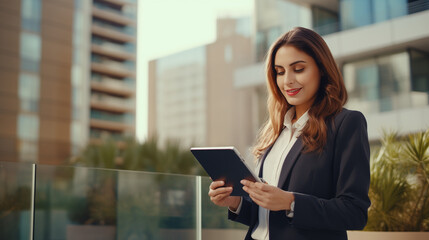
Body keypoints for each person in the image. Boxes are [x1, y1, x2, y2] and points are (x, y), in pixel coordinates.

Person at [208, 27, 371, 240]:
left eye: (299, 69)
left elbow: (354, 213)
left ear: (321, 69)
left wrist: (291, 202)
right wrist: (236, 203)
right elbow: (267, 220)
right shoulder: (275, 132)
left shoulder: (346, 123)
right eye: (280, 71)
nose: (287, 81)